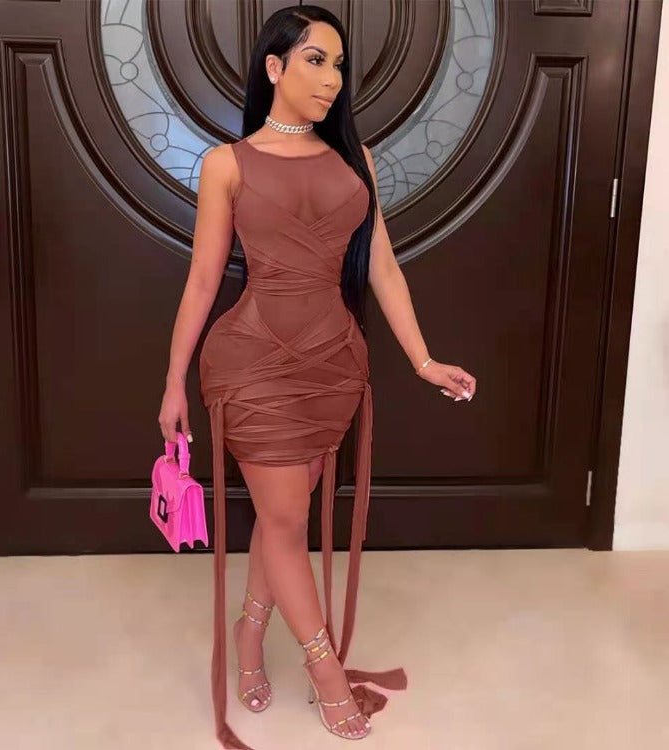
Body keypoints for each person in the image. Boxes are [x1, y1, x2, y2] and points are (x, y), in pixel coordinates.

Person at [158, 5, 477, 748]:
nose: (332, 79)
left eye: (338, 64)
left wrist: (423, 358)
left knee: (284, 519)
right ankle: (325, 670)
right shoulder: (227, 164)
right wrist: (174, 382)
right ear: (274, 67)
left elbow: (382, 266)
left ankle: (250, 630)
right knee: (283, 520)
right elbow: (202, 282)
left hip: (332, 364)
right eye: (315, 60)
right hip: (252, 362)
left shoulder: (354, 159)